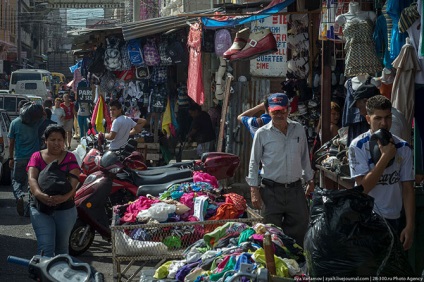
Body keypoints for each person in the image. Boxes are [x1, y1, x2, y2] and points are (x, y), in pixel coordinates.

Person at [246, 93, 314, 247]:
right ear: (268, 110)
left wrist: (310, 179)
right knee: (269, 233)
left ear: (288, 110)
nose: (279, 115)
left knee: (300, 229)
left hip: (295, 190)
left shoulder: (299, 129)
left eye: (283, 111)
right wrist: (254, 190)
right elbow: (254, 162)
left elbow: (304, 156)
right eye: (275, 111)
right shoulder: (262, 133)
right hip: (271, 191)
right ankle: (273, 267)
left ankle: (297, 264)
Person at [348, 95, 415, 250]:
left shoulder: (403, 147)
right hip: (367, 218)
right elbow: (363, 187)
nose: (384, 123)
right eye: (378, 118)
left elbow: (407, 188)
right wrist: (385, 157)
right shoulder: (357, 146)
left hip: (394, 217)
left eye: (387, 118)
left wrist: (410, 226)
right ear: (368, 119)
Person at [27, 125, 80, 257]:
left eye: (59, 140)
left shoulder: (70, 158)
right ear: (45, 140)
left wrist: (64, 197)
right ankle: (43, 276)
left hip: (65, 209)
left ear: (64, 140)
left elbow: (74, 183)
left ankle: (59, 276)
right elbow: (32, 178)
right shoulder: (37, 156)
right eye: (52, 139)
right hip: (40, 208)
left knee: (62, 248)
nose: (56, 143)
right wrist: (40, 195)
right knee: (46, 246)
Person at [8, 101, 44, 216]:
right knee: (32, 183)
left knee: (16, 181)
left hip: (19, 158)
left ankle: (19, 195)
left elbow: (11, 143)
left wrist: (10, 158)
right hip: (34, 159)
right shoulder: (36, 122)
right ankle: (29, 208)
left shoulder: (14, 123)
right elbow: (43, 114)